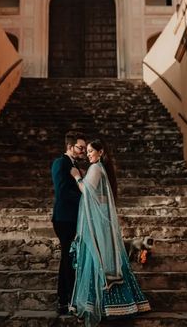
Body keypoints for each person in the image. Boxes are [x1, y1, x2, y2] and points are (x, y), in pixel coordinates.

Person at [70, 140, 150, 326]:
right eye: (87, 151)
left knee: (97, 259)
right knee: (106, 258)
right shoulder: (101, 169)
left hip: (98, 225)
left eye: (91, 151)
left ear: (100, 152)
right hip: (102, 223)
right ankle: (125, 303)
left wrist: (76, 177)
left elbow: (87, 191)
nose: (88, 154)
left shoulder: (96, 168)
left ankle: (102, 305)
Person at [51, 131, 87, 315]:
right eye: (80, 148)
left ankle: (69, 298)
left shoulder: (76, 165)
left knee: (70, 258)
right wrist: (85, 198)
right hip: (64, 218)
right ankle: (63, 300)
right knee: (67, 258)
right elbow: (62, 192)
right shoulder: (60, 163)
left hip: (73, 218)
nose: (83, 151)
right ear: (69, 147)